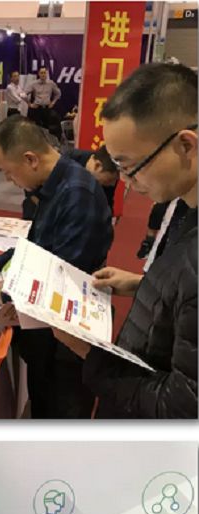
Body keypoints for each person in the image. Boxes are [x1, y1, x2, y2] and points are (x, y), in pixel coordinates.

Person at [53, 62, 197, 418]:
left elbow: (183, 405)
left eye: (129, 165)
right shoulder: (183, 205)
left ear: (186, 145)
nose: (126, 180)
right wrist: (140, 284)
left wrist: (91, 354)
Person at [0, 117, 113, 418]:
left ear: (31, 159)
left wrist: (7, 293)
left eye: (8, 172)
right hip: (49, 333)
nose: (9, 181)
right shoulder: (56, 185)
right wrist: (3, 259)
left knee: (60, 413)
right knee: (43, 403)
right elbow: (40, 242)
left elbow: (61, 275)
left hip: (68, 336)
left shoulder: (77, 195)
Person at [22, 146, 120, 219]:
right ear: (97, 166)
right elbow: (32, 187)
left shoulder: (109, 178)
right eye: (109, 180)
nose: (111, 184)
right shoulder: (63, 160)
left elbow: (106, 207)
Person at [26, 67, 61, 135]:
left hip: (47, 109)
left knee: (47, 129)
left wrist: (53, 102)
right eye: (41, 73)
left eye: (44, 73)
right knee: (36, 129)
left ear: (46, 74)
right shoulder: (34, 84)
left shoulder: (51, 83)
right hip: (37, 109)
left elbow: (58, 94)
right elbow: (24, 94)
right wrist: (29, 104)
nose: (43, 74)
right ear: (39, 74)